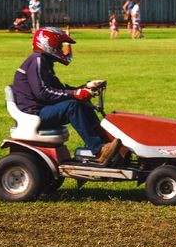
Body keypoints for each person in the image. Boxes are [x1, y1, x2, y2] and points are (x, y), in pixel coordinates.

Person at [12, 27, 121, 165]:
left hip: (41, 109)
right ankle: (99, 150)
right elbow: (43, 93)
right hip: (34, 113)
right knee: (72, 106)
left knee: (81, 103)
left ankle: (105, 143)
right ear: (48, 44)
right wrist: (75, 94)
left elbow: (58, 89)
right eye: (58, 46)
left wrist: (84, 88)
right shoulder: (37, 60)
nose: (60, 49)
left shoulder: (44, 61)